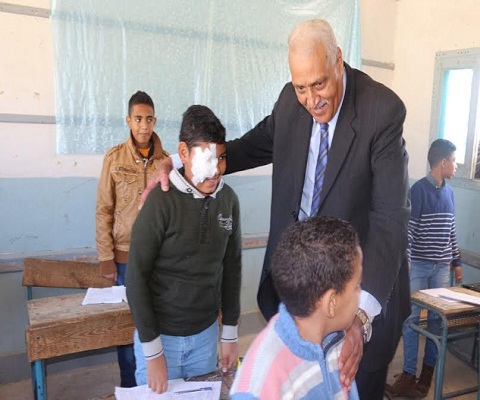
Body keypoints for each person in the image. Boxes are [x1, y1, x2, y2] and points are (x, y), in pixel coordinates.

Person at [146, 19, 410, 399]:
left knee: (352, 388)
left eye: (319, 84)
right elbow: (248, 147)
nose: (311, 99)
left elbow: (389, 221)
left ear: (338, 60)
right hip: (304, 291)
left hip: (357, 294)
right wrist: (181, 161)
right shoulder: (290, 102)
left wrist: (360, 316)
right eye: (301, 87)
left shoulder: (381, 111)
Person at [126, 105, 242, 394]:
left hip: (205, 337)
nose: (216, 170)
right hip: (161, 339)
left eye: (221, 158)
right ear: (183, 152)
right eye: (207, 159)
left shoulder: (228, 201)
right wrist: (153, 353)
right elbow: (136, 278)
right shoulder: (160, 201)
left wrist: (229, 333)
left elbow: (232, 269)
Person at [230, 216, 362, 400]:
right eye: (357, 286)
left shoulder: (337, 340)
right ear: (331, 303)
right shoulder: (259, 386)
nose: (360, 293)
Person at [95, 90, 167, 387]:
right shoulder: (114, 159)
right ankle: (129, 388)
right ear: (128, 120)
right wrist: (106, 257)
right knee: (127, 327)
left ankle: (155, 384)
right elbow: (104, 209)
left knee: (157, 321)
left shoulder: (167, 162)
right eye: (138, 119)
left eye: (148, 119)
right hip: (124, 260)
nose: (143, 126)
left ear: (154, 121)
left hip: (159, 260)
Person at [385, 139, 462, 398]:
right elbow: (409, 229)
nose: (456, 165)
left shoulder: (450, 193)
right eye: (454, 160)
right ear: (443, 162)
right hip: (418, 265)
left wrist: (457, 261)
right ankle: (408, 375)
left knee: (436, 323)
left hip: (441, 268)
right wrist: (406, 260)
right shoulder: (418, 191)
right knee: (411, 320)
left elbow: (451, 230)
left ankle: (427, 374)